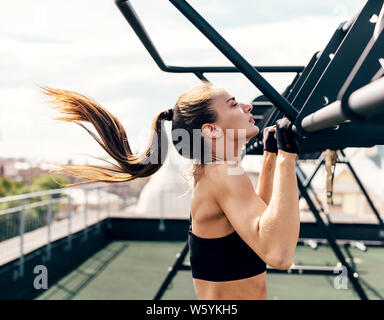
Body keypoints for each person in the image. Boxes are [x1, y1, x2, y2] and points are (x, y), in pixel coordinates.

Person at [39, 81, 300, 300]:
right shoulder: (222, 174)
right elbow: (279, 254)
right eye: (234, 104)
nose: (248, 106)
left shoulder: (216, 173)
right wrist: (287, 158)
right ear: (210, 130)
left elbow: (258, 235)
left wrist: (271, 157)